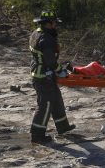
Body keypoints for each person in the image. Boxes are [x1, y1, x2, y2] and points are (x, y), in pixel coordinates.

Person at [29, 10, 75, 144]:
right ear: (48, 24)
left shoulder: (36, 33)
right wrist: (61, 70)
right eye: (55, 23)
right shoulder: (46, 39)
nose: (56, 26)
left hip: (43, 73)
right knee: (45, 105)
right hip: (44, 76)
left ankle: (63, 127)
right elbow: (50, 60)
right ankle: (37, 135)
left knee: (56, 99)